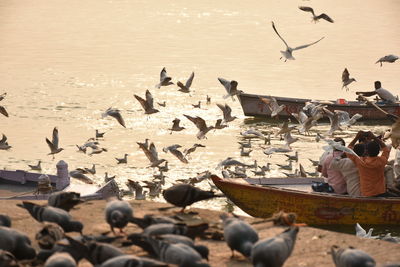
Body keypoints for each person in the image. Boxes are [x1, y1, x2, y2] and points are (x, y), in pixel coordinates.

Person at [346, 131, 392, 197]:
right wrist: (374, 138)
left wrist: (356, 137)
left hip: (366, 194)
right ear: (379, 151)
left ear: (366, 151)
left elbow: (348, 150)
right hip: (381, 192)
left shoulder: (361, 161)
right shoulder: (382, 160)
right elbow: (386, 149)